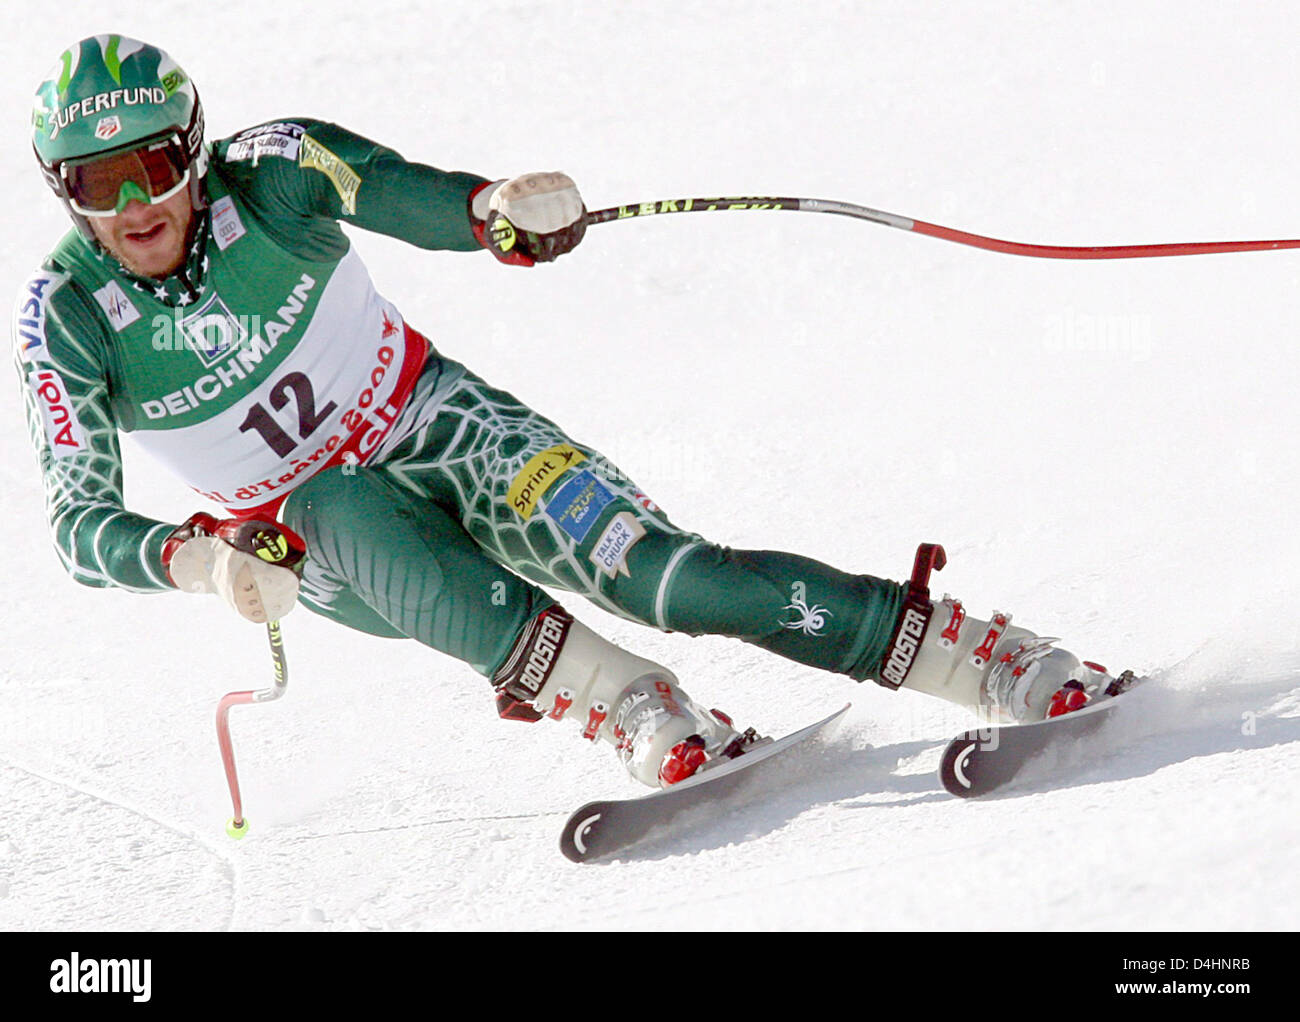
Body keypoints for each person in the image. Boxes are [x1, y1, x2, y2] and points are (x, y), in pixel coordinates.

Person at [16, 35, 1116, 791]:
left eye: (153, 165)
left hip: (445, 426)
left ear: (194, 149)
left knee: (677, 580)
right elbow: (76, 523)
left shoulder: (276, 171)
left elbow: (417, 194)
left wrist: (498, 212)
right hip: (320, 546)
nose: (133, 204)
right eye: (93, 183)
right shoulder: (68, 313)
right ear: (62, 192)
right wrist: (201, 561)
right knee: (331, 497)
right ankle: (627, 703)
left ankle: (992, 662)